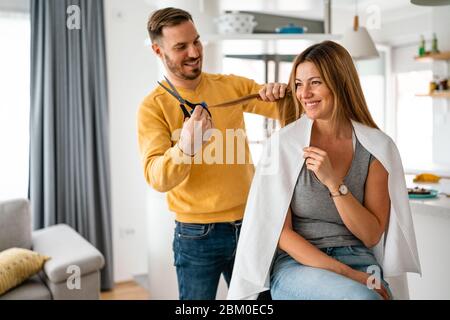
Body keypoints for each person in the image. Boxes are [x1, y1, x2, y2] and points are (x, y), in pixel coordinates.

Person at [228, 41, 421, 300]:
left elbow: (371, 234)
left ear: (340, 82)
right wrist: (349, 275)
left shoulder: (376, 148)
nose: (304, 93)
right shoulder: (284, 145)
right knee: (363, 297)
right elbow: (281, 233)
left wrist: (334, 184)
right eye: (298, 84)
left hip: (360, 258)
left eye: (315, 82)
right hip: (298, 265)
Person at [138, 7, 286, 300]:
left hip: (248, 225)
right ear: (158, 50)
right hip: (196, 236)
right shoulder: (152, 107)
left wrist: (281, 93)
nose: (194, 52)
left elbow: (289, 112)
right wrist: (186, 148)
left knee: (259, 306)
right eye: (181, 46)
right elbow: (156, 177)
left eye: (196, 41)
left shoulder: (230, 86)